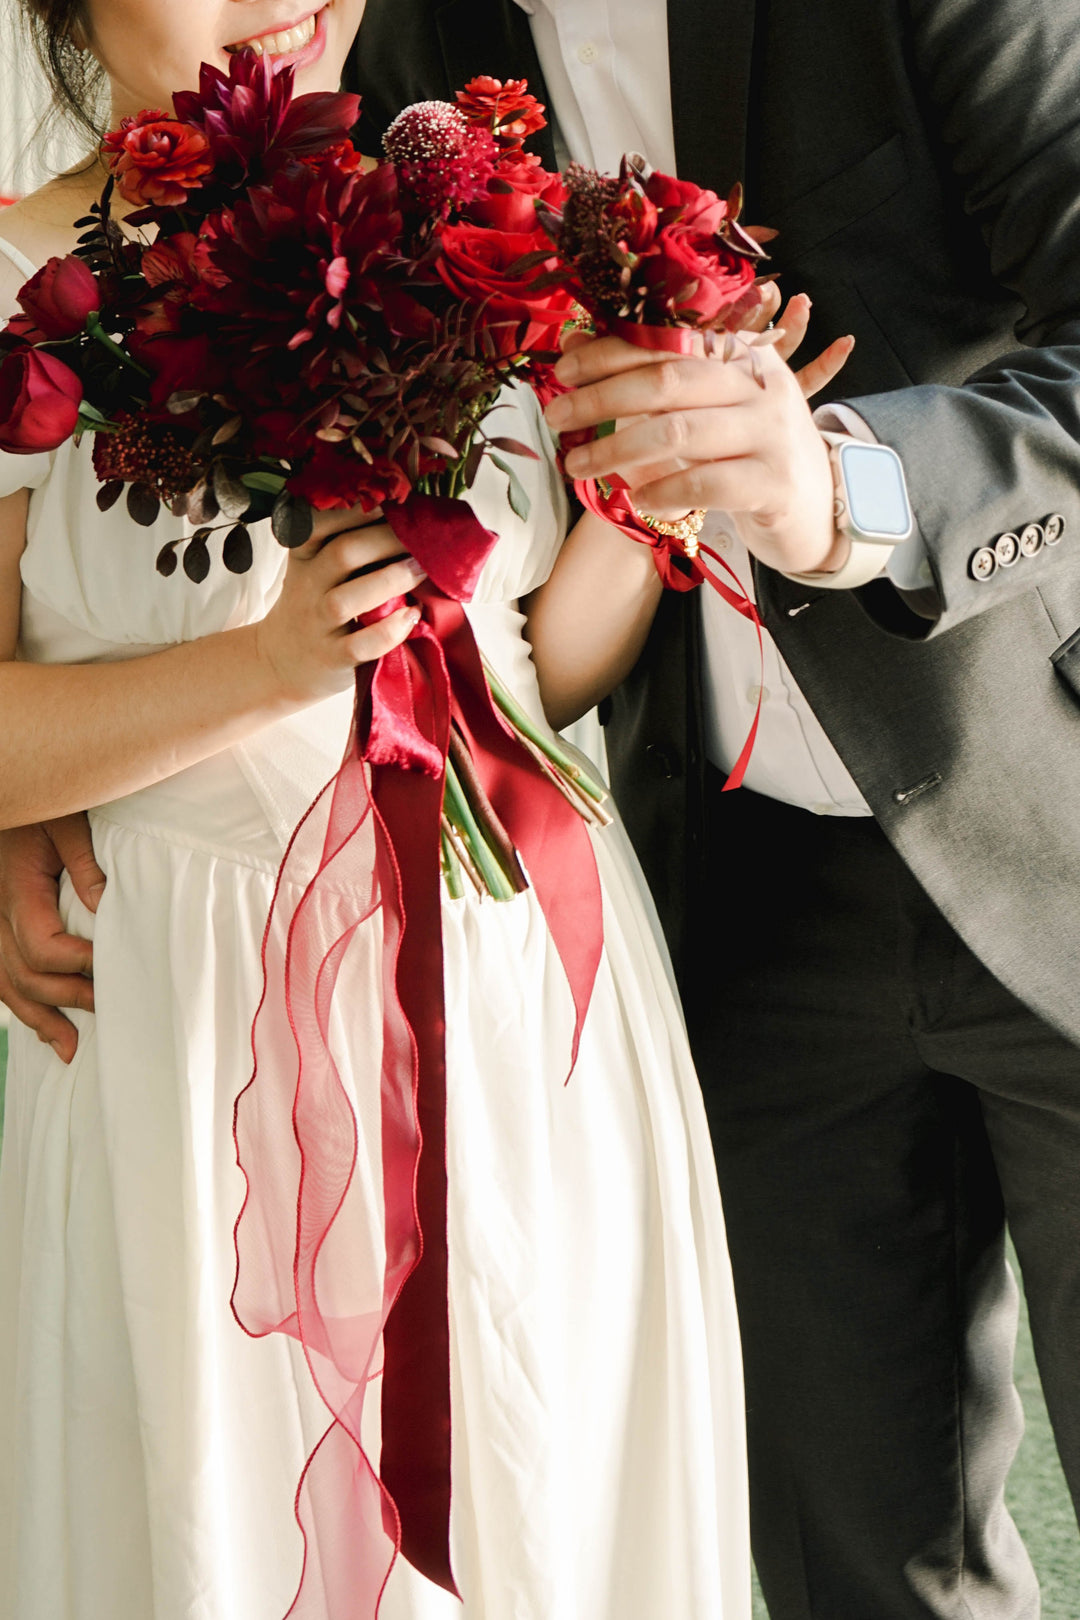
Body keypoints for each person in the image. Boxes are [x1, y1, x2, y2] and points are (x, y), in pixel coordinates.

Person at [0, 2, 825, 1614]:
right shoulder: (22, 288)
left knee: (555, 1493)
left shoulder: (466, 219)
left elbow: (534, 676)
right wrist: (272, 667)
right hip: (198, 1029)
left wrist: (645, 490)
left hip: (531, 1000)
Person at [338, 4, 1080, 1620]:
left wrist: (841, 487)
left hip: (1058, 802)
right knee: (855, 1565)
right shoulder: (419, 57)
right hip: (734, 906)